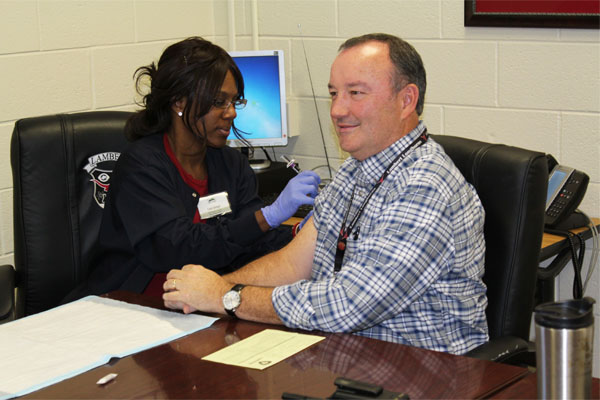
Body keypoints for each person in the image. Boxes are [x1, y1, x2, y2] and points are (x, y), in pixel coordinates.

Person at [162, 33, 489, 355]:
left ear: (406, 100)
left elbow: (348, 304)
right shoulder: (355, 169)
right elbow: (292, 263)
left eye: (355, 93)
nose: (337, 109)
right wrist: (206, 294)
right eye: (334, 93)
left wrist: (224, 296)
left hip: (425, 375)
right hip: (347, 360)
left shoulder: (425, 188)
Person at [67, 37, 320, 300]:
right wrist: (267, 216)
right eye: (218, 101)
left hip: (199, 299)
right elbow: (177, 247)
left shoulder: (231, 164)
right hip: (136, 302)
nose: (231, 112)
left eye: (235, 101)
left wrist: (300, 234)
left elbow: (250, 240)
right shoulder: (142, 165)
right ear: (179, 102)